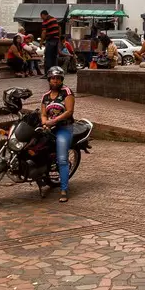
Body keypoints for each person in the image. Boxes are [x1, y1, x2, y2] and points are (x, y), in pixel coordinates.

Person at [40, 66, 79, 202]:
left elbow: (69, 111)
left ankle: (63, 189)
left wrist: (54, 121)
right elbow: (43, 114)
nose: (55, 81)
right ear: (49, 80)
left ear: (61, 80)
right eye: (53, 78)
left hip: (63, 128)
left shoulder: (67, 93)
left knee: (62, 159)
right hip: (49, 129)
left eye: (57, 78)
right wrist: (45, 123)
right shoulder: (45, 96)